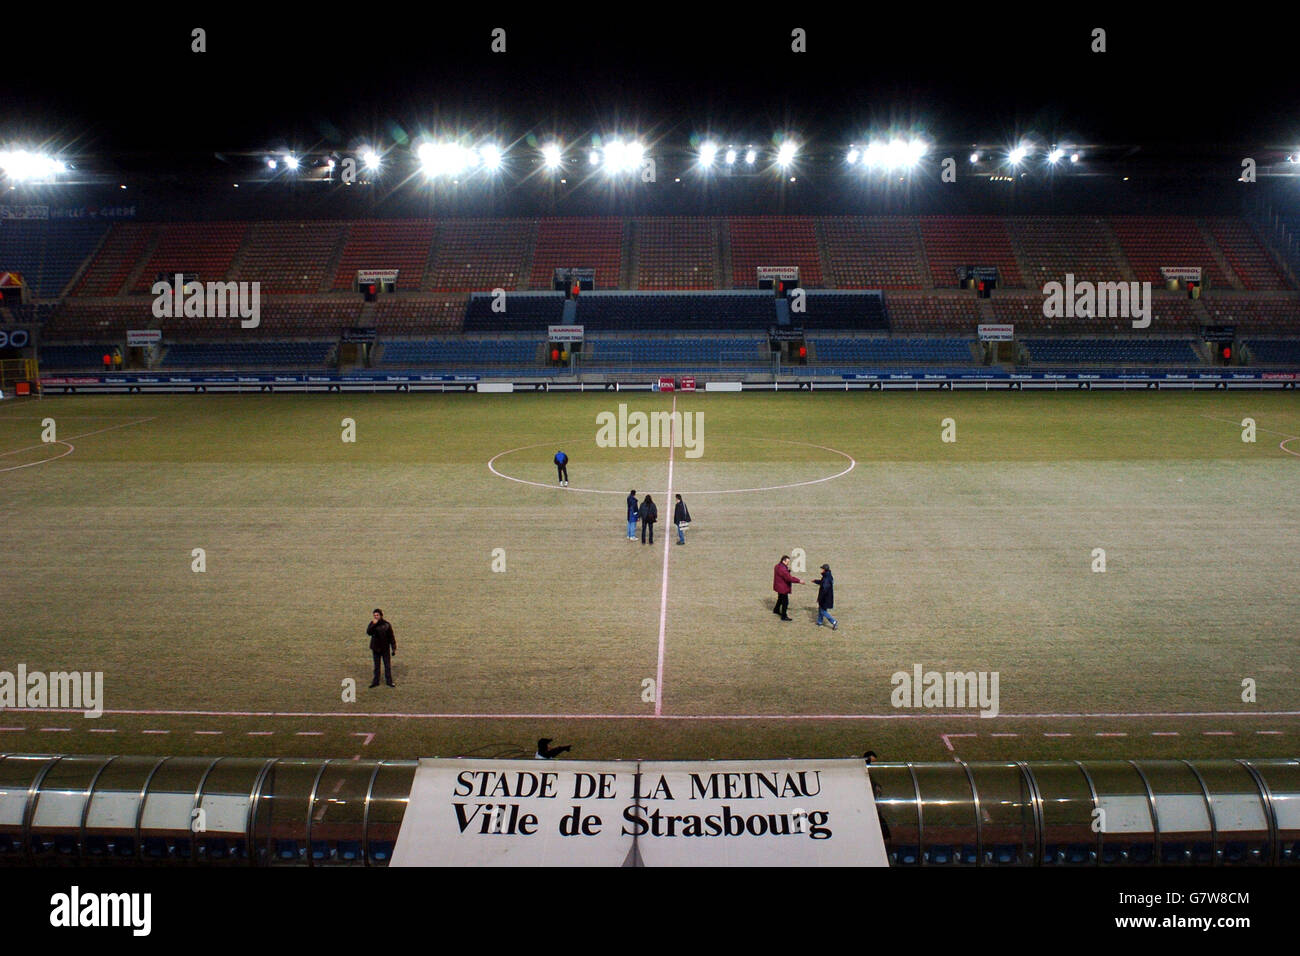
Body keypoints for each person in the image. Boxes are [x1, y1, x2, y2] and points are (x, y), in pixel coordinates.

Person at [366, 609, 396, 688]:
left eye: (377, 615)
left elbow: (391, 637)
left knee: (387, 666)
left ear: (381, 615)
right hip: (376, 648)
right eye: (374, 615)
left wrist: (393, 648)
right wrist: (373, 624)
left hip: (385, 649)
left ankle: (389, 682)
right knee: (377, 666)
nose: (376, 617)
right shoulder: (372, 624)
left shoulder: (387, 625)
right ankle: (375, 682)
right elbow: (369, 632)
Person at [772, 555, 801, 621]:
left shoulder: (777, 566)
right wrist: (799, 581)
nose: (788, 563)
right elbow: (789, 578)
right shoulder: (783, 569)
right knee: (785, 602)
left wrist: (787, 571)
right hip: (783, 587)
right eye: (787, 561)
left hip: (778, 586)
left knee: (780, 599)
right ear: (783, 561)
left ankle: (776, 609)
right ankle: (784, 616)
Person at [813, 563, 838, 630]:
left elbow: (824, 590)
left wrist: (819, 598)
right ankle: (819, 621)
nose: (821, 570)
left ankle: (834, 622)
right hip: (827, 598)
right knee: (821, 609)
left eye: (822, 569)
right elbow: (822, 582)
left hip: (825, 598)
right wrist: (815, 581)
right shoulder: (827, 576)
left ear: (824, 570)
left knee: (823, 611)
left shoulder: (826, 578)